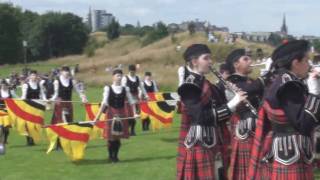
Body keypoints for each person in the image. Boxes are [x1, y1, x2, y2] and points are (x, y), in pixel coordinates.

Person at [248, 40, 319, 179]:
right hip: (291, 154)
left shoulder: (283, 80)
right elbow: (303, 124)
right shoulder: (289, 85)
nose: (309, 64)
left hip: (287, 151)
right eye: (306, 60)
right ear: (295, 62)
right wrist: (315, 93)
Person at [176, 44, 247, 180]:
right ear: (194, 61)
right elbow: (200, 117)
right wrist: (233, 102)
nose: (210, 62)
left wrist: (232, 96)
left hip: (214, 141)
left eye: (210, 58)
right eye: (206, 58)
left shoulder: (207, 84)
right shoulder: (189, 85)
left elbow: (222, 111)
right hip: (200, 143)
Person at [224, 49, 270, 179]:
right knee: (245, 174)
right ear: (235, 64)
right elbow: (248, 90)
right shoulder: (231, 81)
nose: (251, 62)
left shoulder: (251, 80)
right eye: (246, 59)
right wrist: (267, 75)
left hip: (259, 129)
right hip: (246, 131)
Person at [94, 69, 137, 163]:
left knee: (117, 138)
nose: (119, 77)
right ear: (113, 77)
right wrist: (97, 117)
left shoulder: (125, 89)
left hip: (121, 114)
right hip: (110, 114)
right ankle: (110, 156)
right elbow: (104, 103)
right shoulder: (108, 88)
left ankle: (116, 157)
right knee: (111, 138)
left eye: (121, 76)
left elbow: (131, 102)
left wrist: (134, 113)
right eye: (117, 76)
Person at [21, 70, 47, 146]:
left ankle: (33, 139)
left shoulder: (39, 85)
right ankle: (28, 140)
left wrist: (46, 100)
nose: (34, 77)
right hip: (28, 107)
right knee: (27, 124)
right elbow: (23, 96)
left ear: (37, 76)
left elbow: (42, 95)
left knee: (35, 124)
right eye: (32, 75)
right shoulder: (26, 85)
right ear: (29, 76)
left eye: (35, 75)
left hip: (37, 107)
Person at [121, 65, 148, 136]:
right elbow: (123, 89)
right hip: (127, 99)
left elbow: (142, 87)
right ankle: (126, 130)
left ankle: (132, 131)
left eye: (133, 72)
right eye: (131, 72)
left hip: (136, 98)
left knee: (135, 116)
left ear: (135, 71)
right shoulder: (125, 78)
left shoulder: (137, 78)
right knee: (128, 115)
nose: (132, 73)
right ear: (129, 71)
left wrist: (146, 95)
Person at [0, 79, 17, 144]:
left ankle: (5, 140)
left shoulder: (10, 92)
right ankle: (1, 141)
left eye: (5, 85)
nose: (4, 86)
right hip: (0, 111)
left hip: (8, 112)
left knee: (6, 128)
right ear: (1, 85)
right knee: (1, 127)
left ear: (7, 86)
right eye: (2, 85)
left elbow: (17, 98)